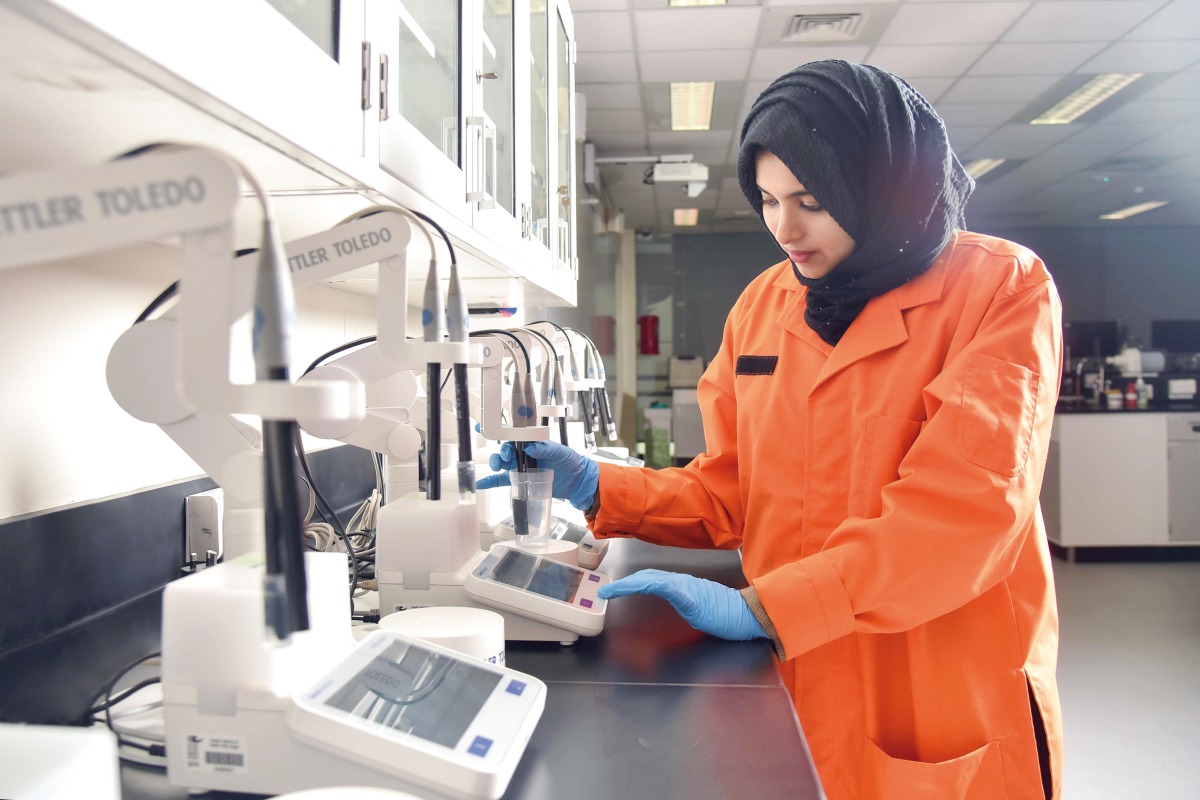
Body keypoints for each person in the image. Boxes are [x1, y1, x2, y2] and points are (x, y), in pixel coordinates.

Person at [479, 60, 1063, 800]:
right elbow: (731, 492)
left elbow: (966, 511)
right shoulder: (764, 304)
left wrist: (769, 606)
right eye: (767, 200)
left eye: (811, 201)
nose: (784, 228)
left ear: (882, 187)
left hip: (929, 684)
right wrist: (601, 484)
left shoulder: (999, 289)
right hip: (783, 675)